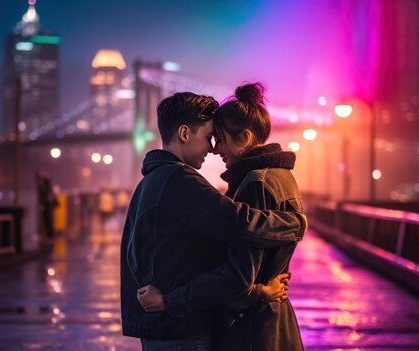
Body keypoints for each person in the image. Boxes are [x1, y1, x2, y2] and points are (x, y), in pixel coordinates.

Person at [120, 91, 307, 351]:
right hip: (182, 331)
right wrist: (296, 224)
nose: (212, 148)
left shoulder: (148, 183)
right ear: (185, 134)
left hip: (162, 329)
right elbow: (240, 223)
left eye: (217, 139)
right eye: (209, 138)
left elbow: (134, 256)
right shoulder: (180, 181)